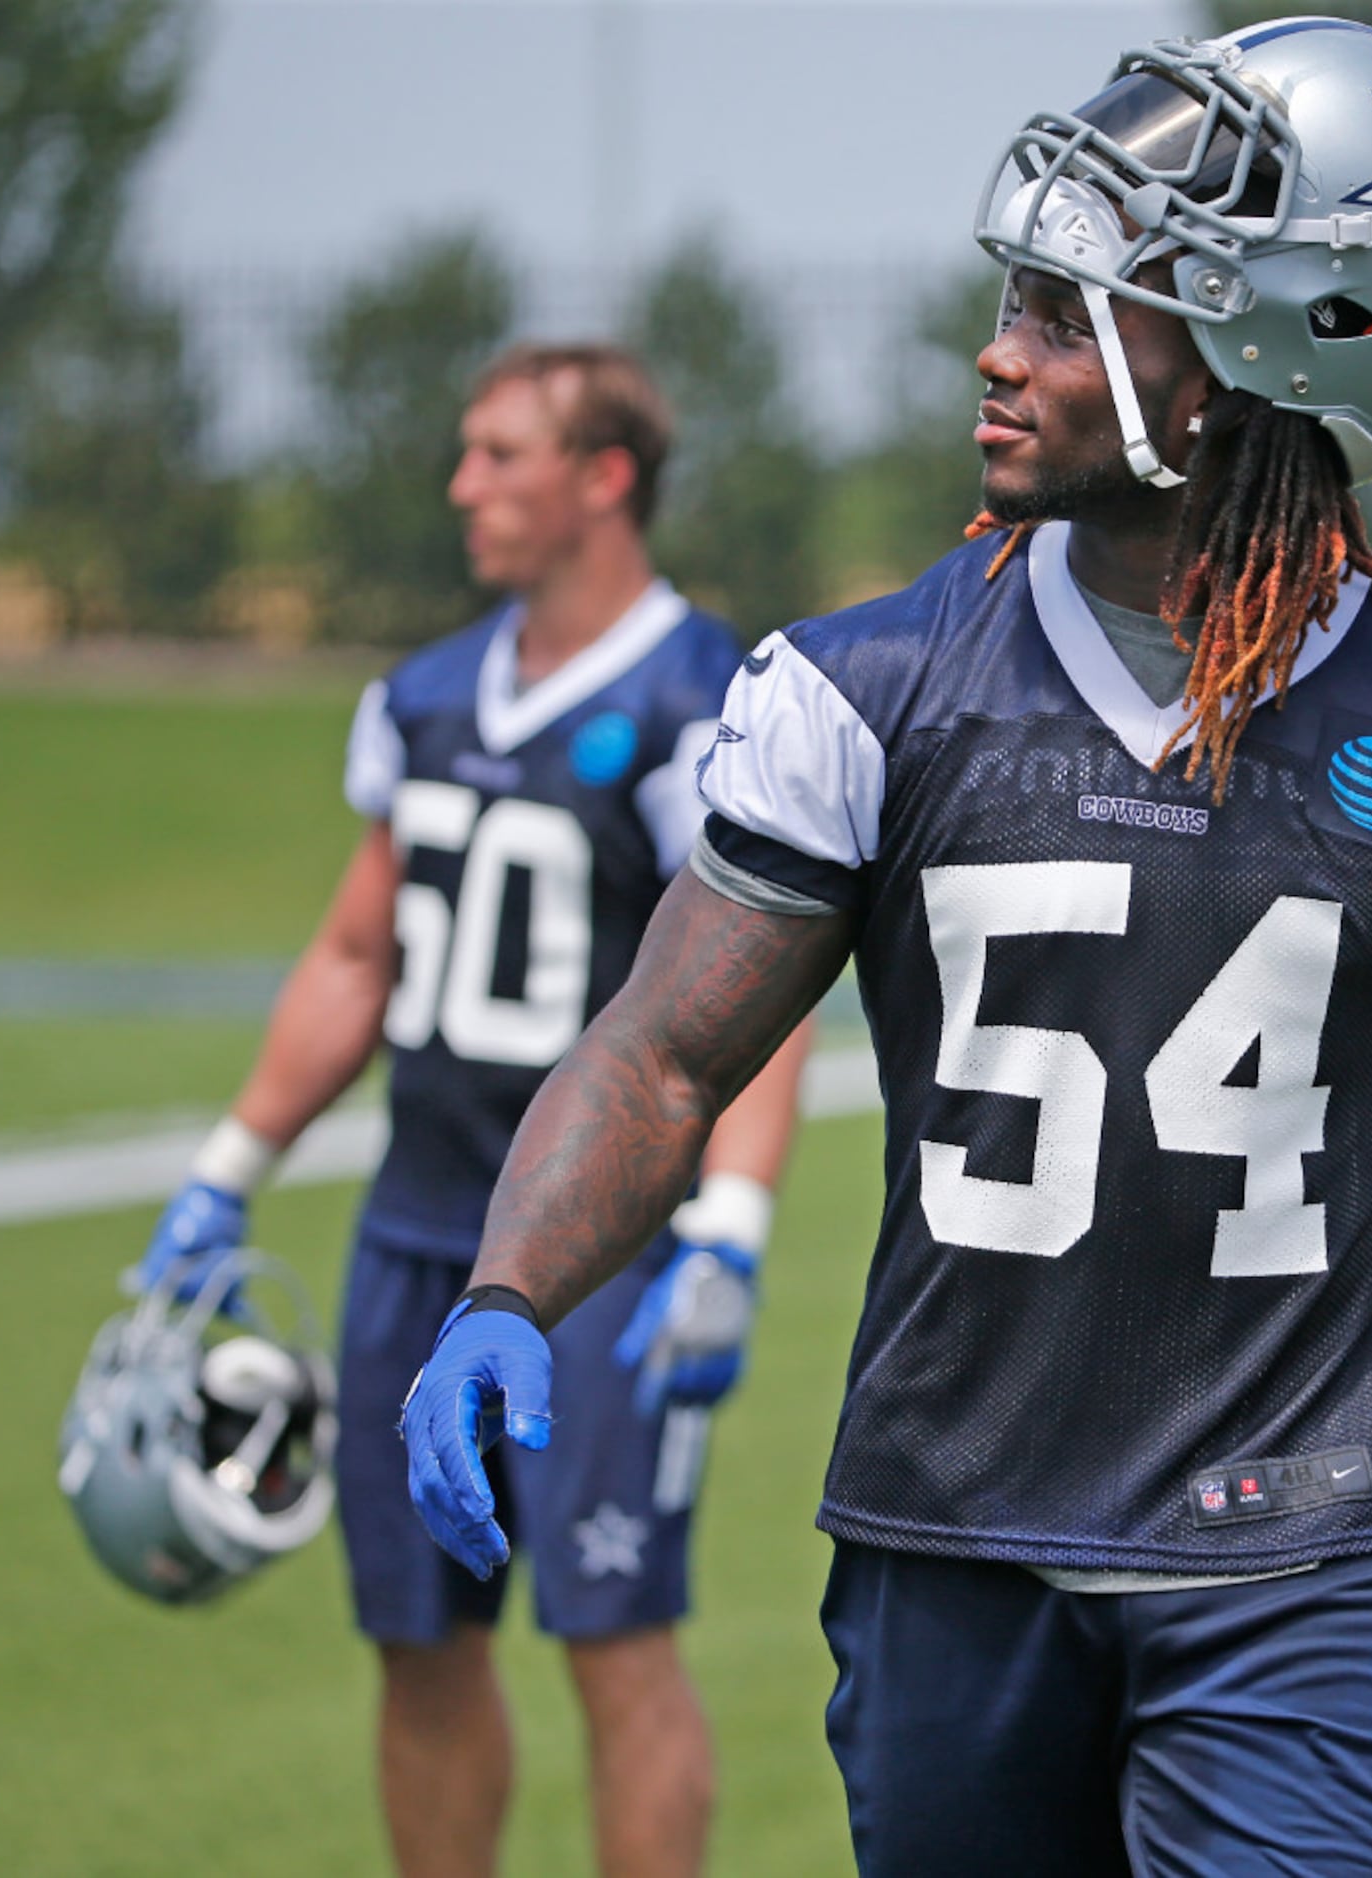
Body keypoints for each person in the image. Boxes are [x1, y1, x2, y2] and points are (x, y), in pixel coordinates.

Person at [401, 21, 1372, 1878]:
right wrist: (508, 1288)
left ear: (1276, 344)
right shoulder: (876, 690)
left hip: (1300, 1564)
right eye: (1012, 293)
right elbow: (664, 1052)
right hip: (950, 1552)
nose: (996, 352)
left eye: (1072, 307)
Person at [136, 342, 810, 1878]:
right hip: (416, 1227)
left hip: (598, 1244)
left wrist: (731, 1233)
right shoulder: (425, 697)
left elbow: (756, 1006)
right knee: (417, 1642)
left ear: (604, 476)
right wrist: (229, 1168)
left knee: (614, 1639)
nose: (464, 485)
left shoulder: (699, 697)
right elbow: (356, 954)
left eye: (501, 453)